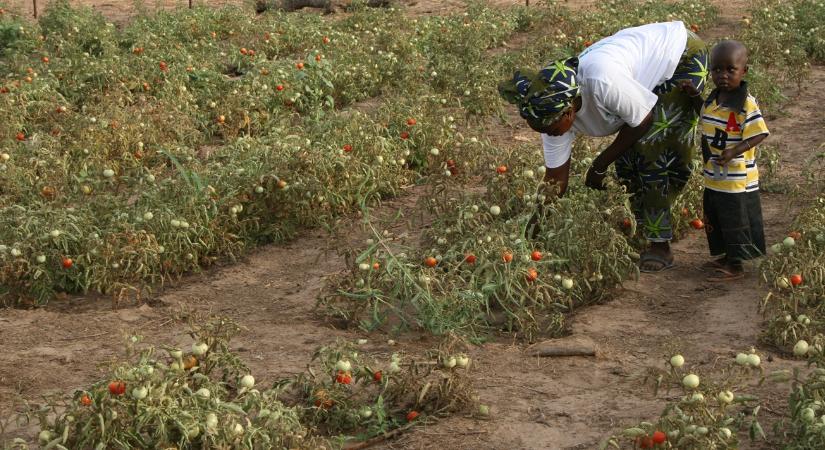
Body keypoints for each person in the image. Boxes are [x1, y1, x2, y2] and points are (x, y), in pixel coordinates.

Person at [498, 21, 708, 272]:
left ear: (571, 108)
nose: (549, 134)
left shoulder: (601, 81)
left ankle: (659, 244)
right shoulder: (548, 112)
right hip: (638, 65)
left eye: (552, 129)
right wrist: (532, 232)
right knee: (627, 158)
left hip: (678, 56)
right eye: (540, 130)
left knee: (652, 151)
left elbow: (643, 120)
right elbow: (555, 181)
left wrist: (599, 165)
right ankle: (643, 226)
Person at [682, 40, 769, 281]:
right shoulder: (713, 99)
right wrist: (694, 96)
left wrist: (734, 151)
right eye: (717, 70)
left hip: (736, 179)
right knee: (716, 216)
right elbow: (704, 113)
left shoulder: (745, 104)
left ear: (744, 71)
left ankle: (736, 264)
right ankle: (726, 255)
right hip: (715, 176)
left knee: (734, 219)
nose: (723, 75)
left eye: (730, 70)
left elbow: (760, 132)